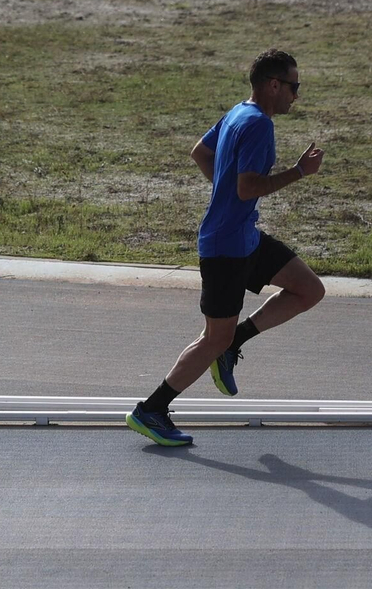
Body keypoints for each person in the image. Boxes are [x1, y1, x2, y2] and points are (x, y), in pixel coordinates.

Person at [128, 49, 326, 447]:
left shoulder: (239, 112)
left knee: (309, 289)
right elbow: (247, 186)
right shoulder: (257, 126)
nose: (296, 96)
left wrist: (225, 197)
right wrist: (299, 172)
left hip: (245, 236)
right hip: (225, 249)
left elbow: (200, 152)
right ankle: (151, 409)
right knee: (212, 338)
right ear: (273, 85)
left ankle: (236, 341)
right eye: (294, 87)